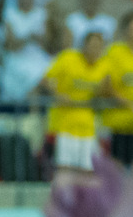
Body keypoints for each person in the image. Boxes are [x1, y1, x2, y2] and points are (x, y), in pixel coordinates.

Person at [41, 31, 109, 177]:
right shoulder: (68, 58)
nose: (95, 50)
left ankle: (84, 200)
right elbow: (45, 80)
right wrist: (58, 94)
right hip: (65, 124)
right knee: (65, 170)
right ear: (84, 46)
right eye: (93, 45)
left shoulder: (104, 66)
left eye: (99, 47)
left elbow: (105, 92)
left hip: (88, 126)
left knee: (88, 171)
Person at [102, 11, 133, 167]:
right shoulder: (115, 52)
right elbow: (106, 84)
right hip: (119, 123)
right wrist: (124, 101)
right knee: (117, 168)